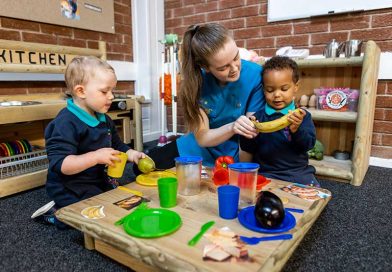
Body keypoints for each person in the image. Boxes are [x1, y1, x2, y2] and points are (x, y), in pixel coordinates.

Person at [32, 56, 146, 228]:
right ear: (81, 91)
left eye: (112, 91)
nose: (111, 96)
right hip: (70, 186)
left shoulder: (104, 119)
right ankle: (55, 214)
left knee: (127, 204)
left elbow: (118, 146)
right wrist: (95, 157)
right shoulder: (65, 123)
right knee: (93, 217)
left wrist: (133, 154)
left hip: (97, 179)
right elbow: (61, 164)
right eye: (104, 91)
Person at [134, 23, 264, 174]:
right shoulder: (194, 84)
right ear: (205, 67)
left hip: (238, 149)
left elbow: (250, 136)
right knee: (139, 168)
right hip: (201, 146)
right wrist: (232, 127)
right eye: (223, 68)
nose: (235, 68)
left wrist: (240, 170)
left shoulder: (255, 75)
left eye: (236, 57)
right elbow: (202, 137)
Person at [240, 56, 319, 186]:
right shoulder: (258, 118)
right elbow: (247, 148)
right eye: (270, 90)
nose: (277, 95)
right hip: (266, 172)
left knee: (312, 197)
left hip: (297, 172)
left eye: (284, 89)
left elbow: (307, 145)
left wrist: (297, 130)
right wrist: (248, 133)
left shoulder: (302, 116)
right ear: (264, 89)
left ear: (296, 87)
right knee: (256, 198)